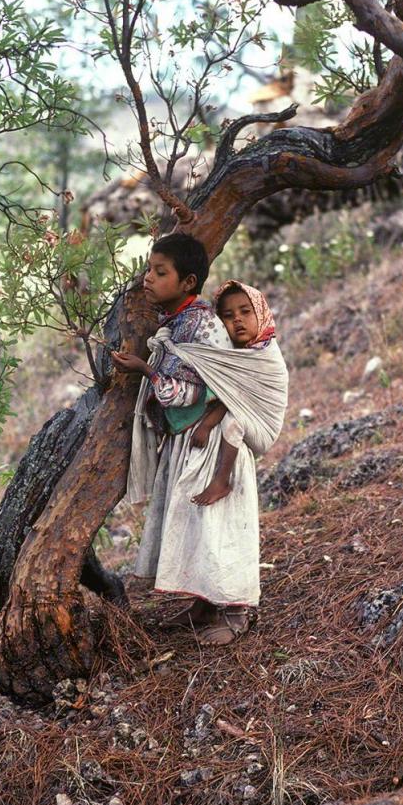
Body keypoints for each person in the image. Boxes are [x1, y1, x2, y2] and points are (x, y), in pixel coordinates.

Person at [120, 250, 288, 646]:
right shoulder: (184, 325)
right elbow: (220, 387)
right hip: (197, 438)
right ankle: (203, 603)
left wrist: (145, 369)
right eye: (230, 315)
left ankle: (235, 611)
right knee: (195, 525)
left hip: (220, 447)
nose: (236, 322)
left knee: (219, 527)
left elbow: (211, 392)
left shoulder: (220, 336)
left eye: (160, 271)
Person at [188, 280, 277, 507]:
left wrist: (206, 426)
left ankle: (221, 481)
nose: (237, 319)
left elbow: (233, 398)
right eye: (228, 315)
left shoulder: (263, 354)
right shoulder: (234, 354)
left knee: (232, 421)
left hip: (264, 424)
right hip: (248, 415)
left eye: (246, 312)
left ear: (261, 313)